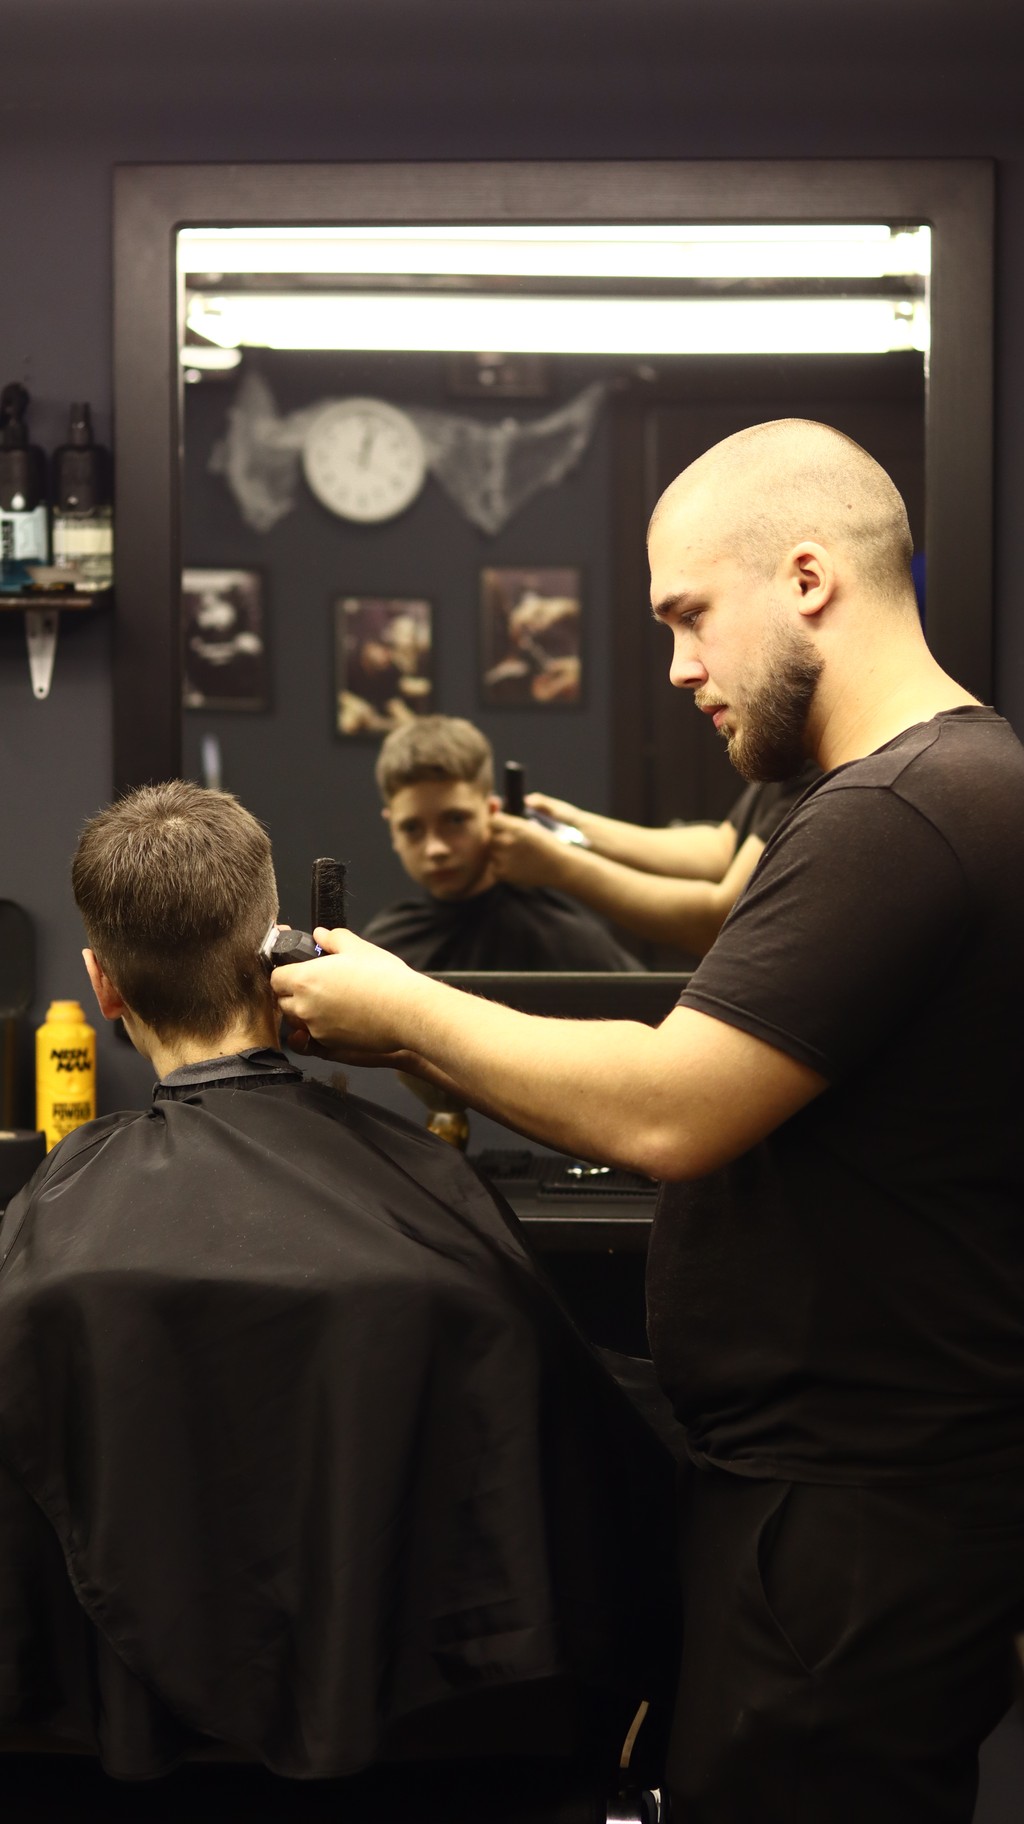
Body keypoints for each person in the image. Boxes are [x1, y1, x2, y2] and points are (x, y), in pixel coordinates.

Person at [273, 418, 1024, 1824]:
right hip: (847, 1500)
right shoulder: (891, 795)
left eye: (689, 616)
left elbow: (675, 1102)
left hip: (856, 1516)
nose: (677, 666)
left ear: (807, 578)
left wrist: (402, 1009)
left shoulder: (906, 811)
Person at [0, 780, 676, 1780]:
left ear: (103, 988)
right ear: (284, 953)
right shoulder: (425, 1201)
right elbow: (592, 1487)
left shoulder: (39, 1250)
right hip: (432, 1769)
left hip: (117, 1766)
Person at [361, 714, 643, 971]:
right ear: (392, 830)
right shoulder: (383, 948)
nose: (436, 849)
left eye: (456, 820)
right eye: (412, 828)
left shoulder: (563, 939)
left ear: (492, 813)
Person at [489, 769, 819, 958]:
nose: (682, 675)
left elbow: (722, 919)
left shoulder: (823, 766)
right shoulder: (792, 759)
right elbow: (722, 848)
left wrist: (556, 864)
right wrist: (576, 826)